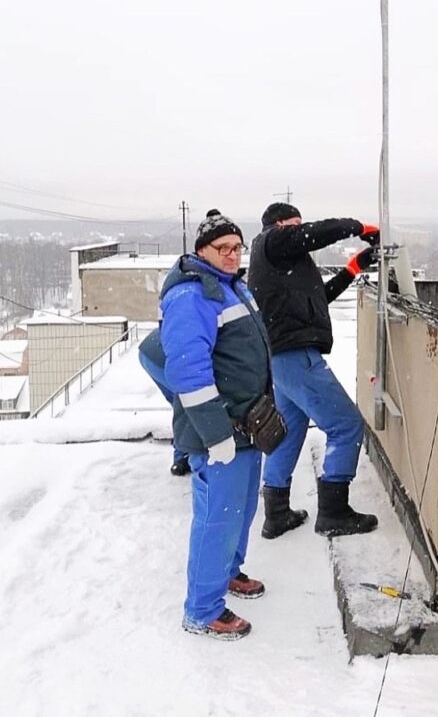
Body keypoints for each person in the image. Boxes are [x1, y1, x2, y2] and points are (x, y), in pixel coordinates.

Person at [140, 209, 272, 640]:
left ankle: (228, 573)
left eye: (238, 247)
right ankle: (203, 609)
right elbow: (189, 374)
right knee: (219, 517)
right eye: (224, 248)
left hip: (247, 425)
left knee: (241, 510)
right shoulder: (192, 296)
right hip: (222, 431)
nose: (233, 255)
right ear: (202, 251)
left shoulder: (231, 288)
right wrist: (216, 435)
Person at [248, 202, 380, 539]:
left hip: (281, 358)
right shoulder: (271, 241)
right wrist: (358, 226)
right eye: (293, 225)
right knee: (346, 424)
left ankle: (276, 515)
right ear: (278, 224)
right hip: (294, 355)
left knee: (289, 430)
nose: (298, 230)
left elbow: (319, 296)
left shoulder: (280, 264)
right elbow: (310, 235)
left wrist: (354, 267)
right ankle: (334, 512)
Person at [137, 346, 191, 476]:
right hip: (158, 357)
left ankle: (184, 449)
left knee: (182, 403)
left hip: (150, 351)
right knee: (187, 404)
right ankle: (181, 457)